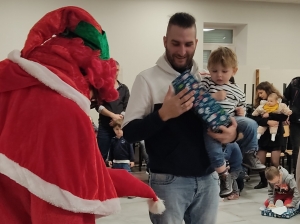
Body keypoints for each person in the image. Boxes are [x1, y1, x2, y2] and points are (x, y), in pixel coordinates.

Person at [0, 7, 165, 223]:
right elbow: (67, 195)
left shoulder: (10, 87)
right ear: (88, 73)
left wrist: (138, 187)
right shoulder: (66, 112)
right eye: (95, 93)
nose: (91, 101)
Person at [123, 12, 239, 224]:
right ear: (165, 41)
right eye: (175, 43)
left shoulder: (206, 78)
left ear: (196, 43)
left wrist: (232, 134)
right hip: (169, 183)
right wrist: (163, 114)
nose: (182, 51)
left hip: (209, 179)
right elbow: (129, 132)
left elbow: (226, 119)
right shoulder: (147, 79)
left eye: (188, 44)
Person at [200, 47, 265, 197]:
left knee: (251, 124)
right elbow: (197, 101)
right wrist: (214, 97)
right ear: (209, 69)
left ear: (234, 71)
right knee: (214, 152)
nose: (219, 75)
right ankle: (224, 176)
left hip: (230, 120)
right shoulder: (207, 83)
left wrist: (241, 111)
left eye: (224, 71)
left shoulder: (237, 90)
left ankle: (249, 154)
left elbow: (240, 106)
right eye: (214, 71)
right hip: (210, 122)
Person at [252, 82, 289, 189]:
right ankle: (263, 181)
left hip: (276, 135)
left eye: (261, 93)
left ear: (267, 91)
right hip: (263, 135)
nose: (259, 95)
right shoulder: (260, 103)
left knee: (274, 161)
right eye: (258, 93)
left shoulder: (280, 101)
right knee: (260, 161)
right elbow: (254, 118)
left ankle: (276, 181)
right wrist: (267, 122)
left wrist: (270, 115)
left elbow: (283, 116)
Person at [97, 60, 130, 161]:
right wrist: (113, 116)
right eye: (114, 70)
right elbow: (98, 106)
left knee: (120, 155)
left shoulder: (124, 88)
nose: (116, 73)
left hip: (120, 127)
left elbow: (127, 106)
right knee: (101, 156)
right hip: (105, 128)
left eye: (118, 70)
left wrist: (118, 119)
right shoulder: (101, 87)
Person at [284, 77, 300, 176]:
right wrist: (285, 115)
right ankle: (296, 173)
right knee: (296, 148)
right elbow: (285, 99)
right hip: (295, 120)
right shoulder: (295, 82)